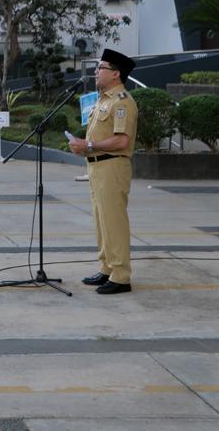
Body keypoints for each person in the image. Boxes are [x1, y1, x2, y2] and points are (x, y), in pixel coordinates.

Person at [69, 48, 138, 296]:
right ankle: (107, 267)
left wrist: (88, 145)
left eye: (101, 68)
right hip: (97, 166)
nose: (96, 72)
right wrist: (84, 146)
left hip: (113, 165)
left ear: (116, 74)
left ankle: (121, 276)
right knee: (101, 221)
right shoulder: (102, 99)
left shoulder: (122, 102)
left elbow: (121, 141)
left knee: (114, 221)